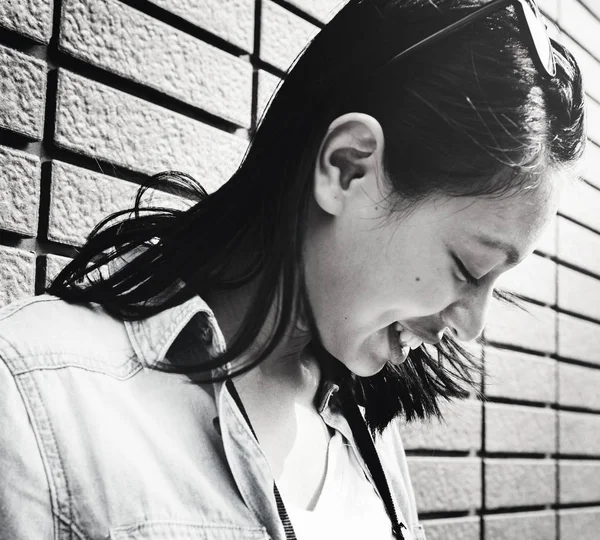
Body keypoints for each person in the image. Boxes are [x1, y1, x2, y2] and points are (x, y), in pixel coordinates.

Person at [0, 0, 585, 539]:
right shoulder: (35, 400)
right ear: (348, 168)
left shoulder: (366, 433)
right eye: (469, 266)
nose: (474, 325)